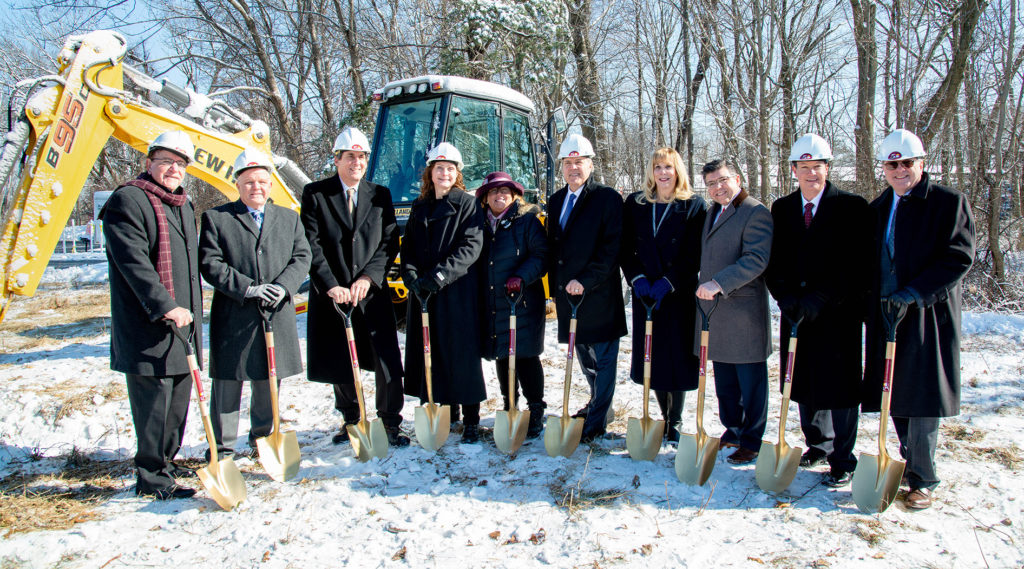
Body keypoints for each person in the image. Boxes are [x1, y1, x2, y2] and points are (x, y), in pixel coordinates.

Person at [863, 129, 975, 510]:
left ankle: (923, 477)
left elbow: (958, 258)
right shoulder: (878, 207)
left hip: (927, 313)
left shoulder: (947, 202)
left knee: (923, 396)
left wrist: (914, 293)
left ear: (921, 163)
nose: (899, 170)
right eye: (892, 164)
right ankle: (907, 460)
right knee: (893, 391)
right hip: (886, 313)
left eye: (906, 163)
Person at [765, 134, 872, 487]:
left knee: (839, 388)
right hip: (797, 311)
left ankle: (843, 457)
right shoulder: (782, 208)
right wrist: (784, 297)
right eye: (805, 167)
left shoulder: (852, 206)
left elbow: (855, 265)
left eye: (818, 167)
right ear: (793, 170)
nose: (812, 174)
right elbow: (774, 260)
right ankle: (818, 444)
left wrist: (819, 299)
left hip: (837, 313)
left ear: (828, 168)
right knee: (802, 380)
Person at [101, 130, 202, 500]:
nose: (173, 169)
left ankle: (166, 463)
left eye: (180, 163)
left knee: (176, 402)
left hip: (184, 325)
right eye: (165, 161)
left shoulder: (183, 205)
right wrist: (166, 306)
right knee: (154, 404)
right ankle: (152, 477)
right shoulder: (128, 200)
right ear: (149, 163)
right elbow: (134, 264)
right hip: (150, 325)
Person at [198, 149, 311, 460]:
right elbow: (210, 263)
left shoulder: (289, 218)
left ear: (271, 185)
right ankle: (222, 447)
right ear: (237, 185)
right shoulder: (217, 219)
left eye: (262, 181)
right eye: (249, 182)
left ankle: (263, 436)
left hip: (275, 313)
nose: (256, 187)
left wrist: (283, 287)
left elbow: (302, 257)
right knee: (228, 384)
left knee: (268, 380)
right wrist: (248, 289)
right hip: (236, 314)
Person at [301, 127, 408, 447]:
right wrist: (331, 285)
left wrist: (368, 278)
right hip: (332, 295)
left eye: (361, 157)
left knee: (386, 359)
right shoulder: (316, 194)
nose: (356, 163)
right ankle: (351, 418)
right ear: (337, 160)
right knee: (339, 358)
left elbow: (389, 242)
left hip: (370, 293)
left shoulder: (380, 195)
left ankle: (390, 422)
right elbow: (310, 243)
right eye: (350, 157)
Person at [401, 143, 487, 443]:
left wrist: (439, 276)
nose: (445, 173)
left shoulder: (467, 203)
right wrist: (409, 273)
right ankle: (448, 412)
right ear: (430, 172)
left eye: (451, 168)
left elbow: (471, 247)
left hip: (456, 291)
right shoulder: (419, 205)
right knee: (432, 351)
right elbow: (408, 245)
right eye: (439, 168)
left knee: (461, 354)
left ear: (457, 173)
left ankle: (472, 418)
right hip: (424, 292)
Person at [620, 148, 707, 443]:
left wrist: (669, 282)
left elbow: (694, 253)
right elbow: (625, 247)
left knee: (677, 357)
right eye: (657, 166)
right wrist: (638, 278)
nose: (662, 173)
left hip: (676, 293)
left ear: (677, 170)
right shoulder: (636, 203)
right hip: (646, 294)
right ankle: (662, 414)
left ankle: (676, 419)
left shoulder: (693, 205)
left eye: (668, 166)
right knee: (652, 357)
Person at [546, 134, 627, 443]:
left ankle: (595, 424)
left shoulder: (607, 198)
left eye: (579, 162)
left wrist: (587, 280)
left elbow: (611, 249)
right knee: (584, 359)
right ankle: (599, 405)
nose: (573, 168)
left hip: (598, 294)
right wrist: (556, 287)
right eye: (567, 163)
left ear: (590, 165)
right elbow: (555, 248)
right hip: (569, 297)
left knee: (605, 360)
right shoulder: (555, 201)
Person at [695, 158, 773, 465]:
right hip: (716, 312)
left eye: (722, 180)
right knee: (725, 380)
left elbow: (756, 259)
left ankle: (752, 440)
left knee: (750, 382)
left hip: (743, 313)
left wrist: (718, 282)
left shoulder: (755, 211)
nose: (717, 188)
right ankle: (733, 428)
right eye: (711, 184)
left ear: (737, 178)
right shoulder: (713, 211)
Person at [475, 171, 548, 439]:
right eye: (493, 191)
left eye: (505, 191)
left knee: (526, 355)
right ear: (485, 198)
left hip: (523, 301)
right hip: (494, 301)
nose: (500, 195)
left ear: (514, 195)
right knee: (503, 354)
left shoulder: (527, 221)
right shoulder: (479, 223)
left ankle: (536, 409)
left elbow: (542, 256)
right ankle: (510, 405)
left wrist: (522, 276)